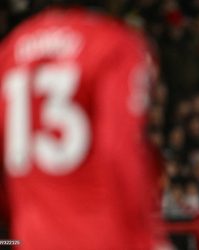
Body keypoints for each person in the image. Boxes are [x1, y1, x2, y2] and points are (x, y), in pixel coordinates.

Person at [0, 0, 160, 249]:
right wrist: (145, 239)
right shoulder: (115, 44)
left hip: (31, 239)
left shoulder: (10, 50)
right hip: (102, 237)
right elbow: (120, 153)